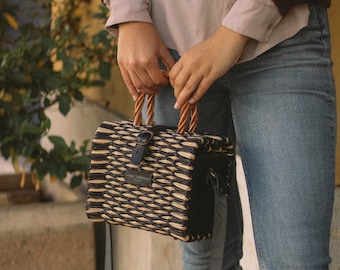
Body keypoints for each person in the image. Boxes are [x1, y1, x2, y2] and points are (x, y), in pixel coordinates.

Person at [102, 0, 336, 269]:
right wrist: (129, 14)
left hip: (281, 35)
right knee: (205, 258)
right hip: (167, 49)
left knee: (295, 261)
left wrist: (233, 34)